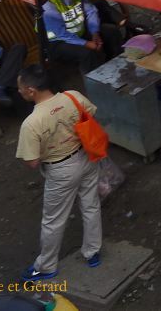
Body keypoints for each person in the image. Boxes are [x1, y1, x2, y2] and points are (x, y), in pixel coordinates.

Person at [16, 65, 102, 282]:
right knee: (91, 205)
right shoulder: (72, 96)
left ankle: (46, 266)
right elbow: (90, 114)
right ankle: (92, 253)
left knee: (53, 220)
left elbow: (32, 161)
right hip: (86, 157)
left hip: (61, 169)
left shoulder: (32, 122)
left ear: (31, 91)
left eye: (21, 88)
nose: (19, 91)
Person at [42, 0, 104, 73]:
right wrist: (86, 43)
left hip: (77, 35)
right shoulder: (49, 5)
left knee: (110, 32)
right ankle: (93, 82)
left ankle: (111, 68)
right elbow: (61, 34)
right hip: (57, 42)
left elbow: (91, 12)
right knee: (86, 53)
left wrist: (95, 33)